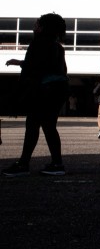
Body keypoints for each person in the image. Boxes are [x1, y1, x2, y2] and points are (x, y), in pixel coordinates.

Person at [2, 13, 69, 177]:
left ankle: (24, 164)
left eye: (37, 24)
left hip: (43, 90)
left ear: (43, 27)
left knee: (32, 125)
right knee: (49, 127)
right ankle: (56, 163)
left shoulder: (38, 43)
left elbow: (35, 68)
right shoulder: (57, 46)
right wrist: (20, 63)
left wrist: (20, 93)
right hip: (58, 89)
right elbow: (49, 65)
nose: (34, 27)